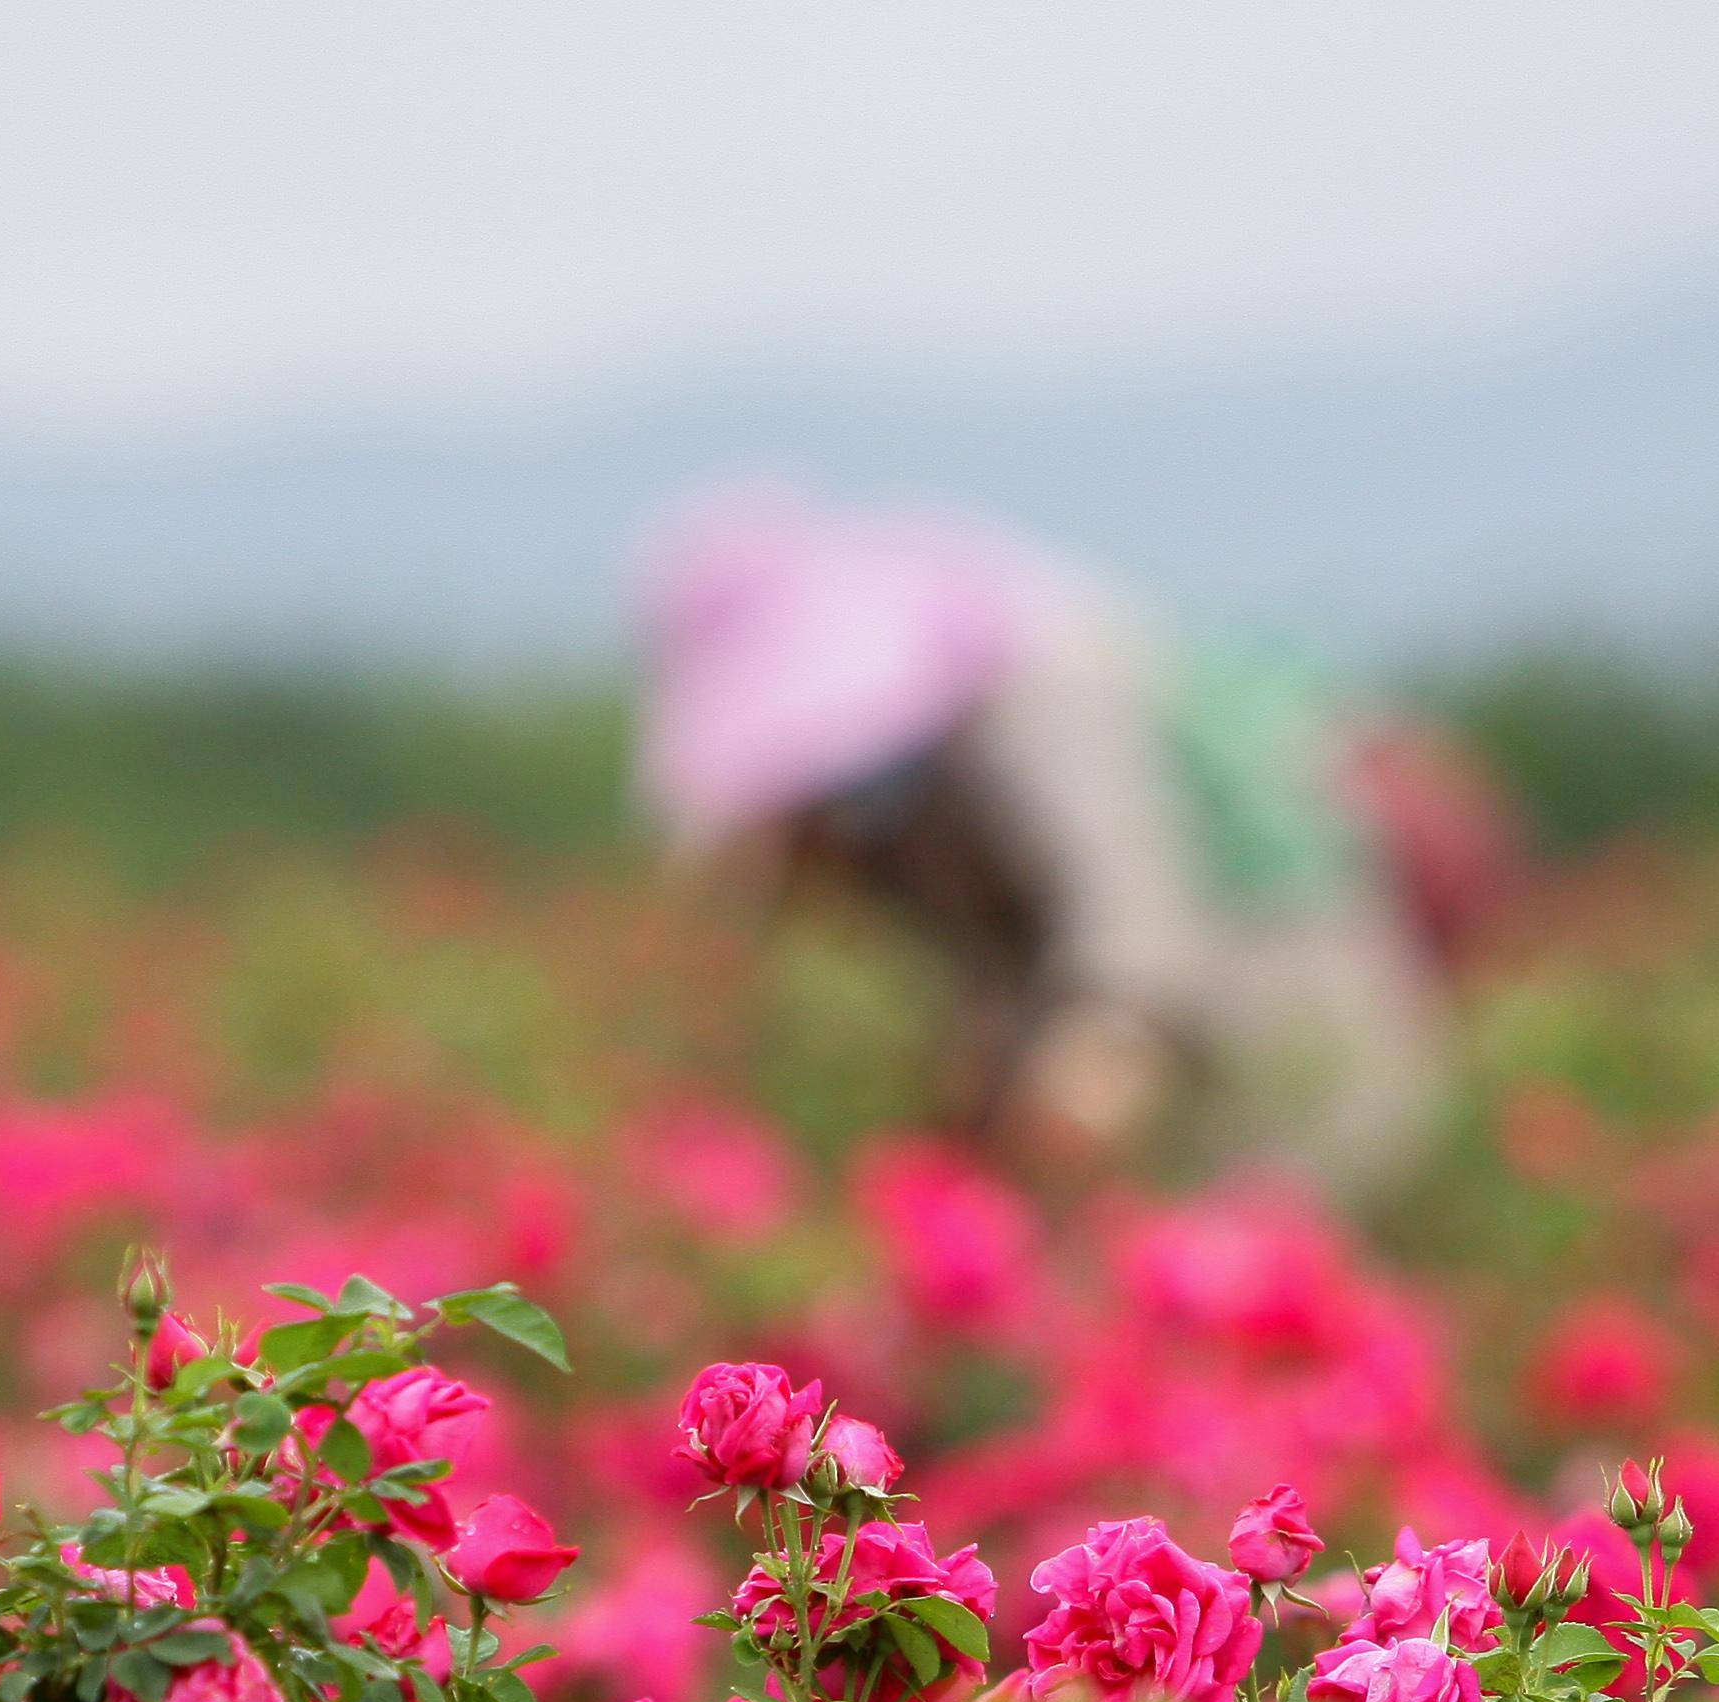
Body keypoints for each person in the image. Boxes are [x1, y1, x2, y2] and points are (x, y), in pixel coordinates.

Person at [634, 486, 1517, 1190]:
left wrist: (1075, 1089)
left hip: (1285, 1002)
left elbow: (1134, 928)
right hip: (1201, 1051)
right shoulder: (891, 798)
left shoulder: (1037, 681)